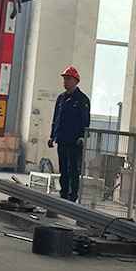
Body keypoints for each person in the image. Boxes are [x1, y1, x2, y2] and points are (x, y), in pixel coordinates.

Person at [48, 64, 91, 202]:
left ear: (76, 81)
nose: (65, 81)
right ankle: (64, 194)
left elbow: (85, 120)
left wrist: (82, 136)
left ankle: (72, 196)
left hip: (74, 141)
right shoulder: (61, 98)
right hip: (62, 139)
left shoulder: (82, 100)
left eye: (68, 79)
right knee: (63, 170)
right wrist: (52, 136)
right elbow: (56, 118)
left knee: (73, 169)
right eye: (64, 79)